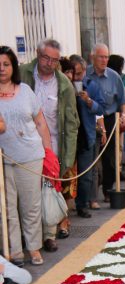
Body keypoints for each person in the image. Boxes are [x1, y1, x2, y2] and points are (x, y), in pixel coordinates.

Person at [19, 38, 79, 250]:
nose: (49, 63)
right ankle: (30, 237)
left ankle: (48, 235)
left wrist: (68, 157)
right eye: (46, 58)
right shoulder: (22, 74)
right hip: (24, 145)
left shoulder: (64, 84)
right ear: (38, 54)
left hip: (52, 147)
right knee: (28, 193)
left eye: (54, 60)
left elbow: (71, 123)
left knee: (49, 191)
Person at [0, 46, 51, 266]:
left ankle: (34, 248)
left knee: (31, 205)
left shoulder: (25, 91)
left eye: (6, 64)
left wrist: (48, 152)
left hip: (30, 156)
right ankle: (14, 251)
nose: (2, 69)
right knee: (6, 207)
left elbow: (40, 122)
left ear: (13, 66)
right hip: (3, 160)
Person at [85, 44, 125, 202]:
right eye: (101, 57)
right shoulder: (86, 74)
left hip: (109, 119)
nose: (104, 60)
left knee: (110, 158)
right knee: (91, 157)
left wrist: (123, 115)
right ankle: (91, 194)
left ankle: (108, 189)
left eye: (106, 57)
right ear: (93, 57)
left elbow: (123, 100)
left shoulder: (114, 77)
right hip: (89, 119)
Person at [69, 55, 104, 218]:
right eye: (72, 73)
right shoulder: (64, 85)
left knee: (85, 175)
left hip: (86, 134)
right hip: (68, 136)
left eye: (78, 73)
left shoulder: (92, 85)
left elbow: (101, 108)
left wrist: (88, 101)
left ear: (84, 71)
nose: (75, 77)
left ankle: (82, 204)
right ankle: (65, 206)